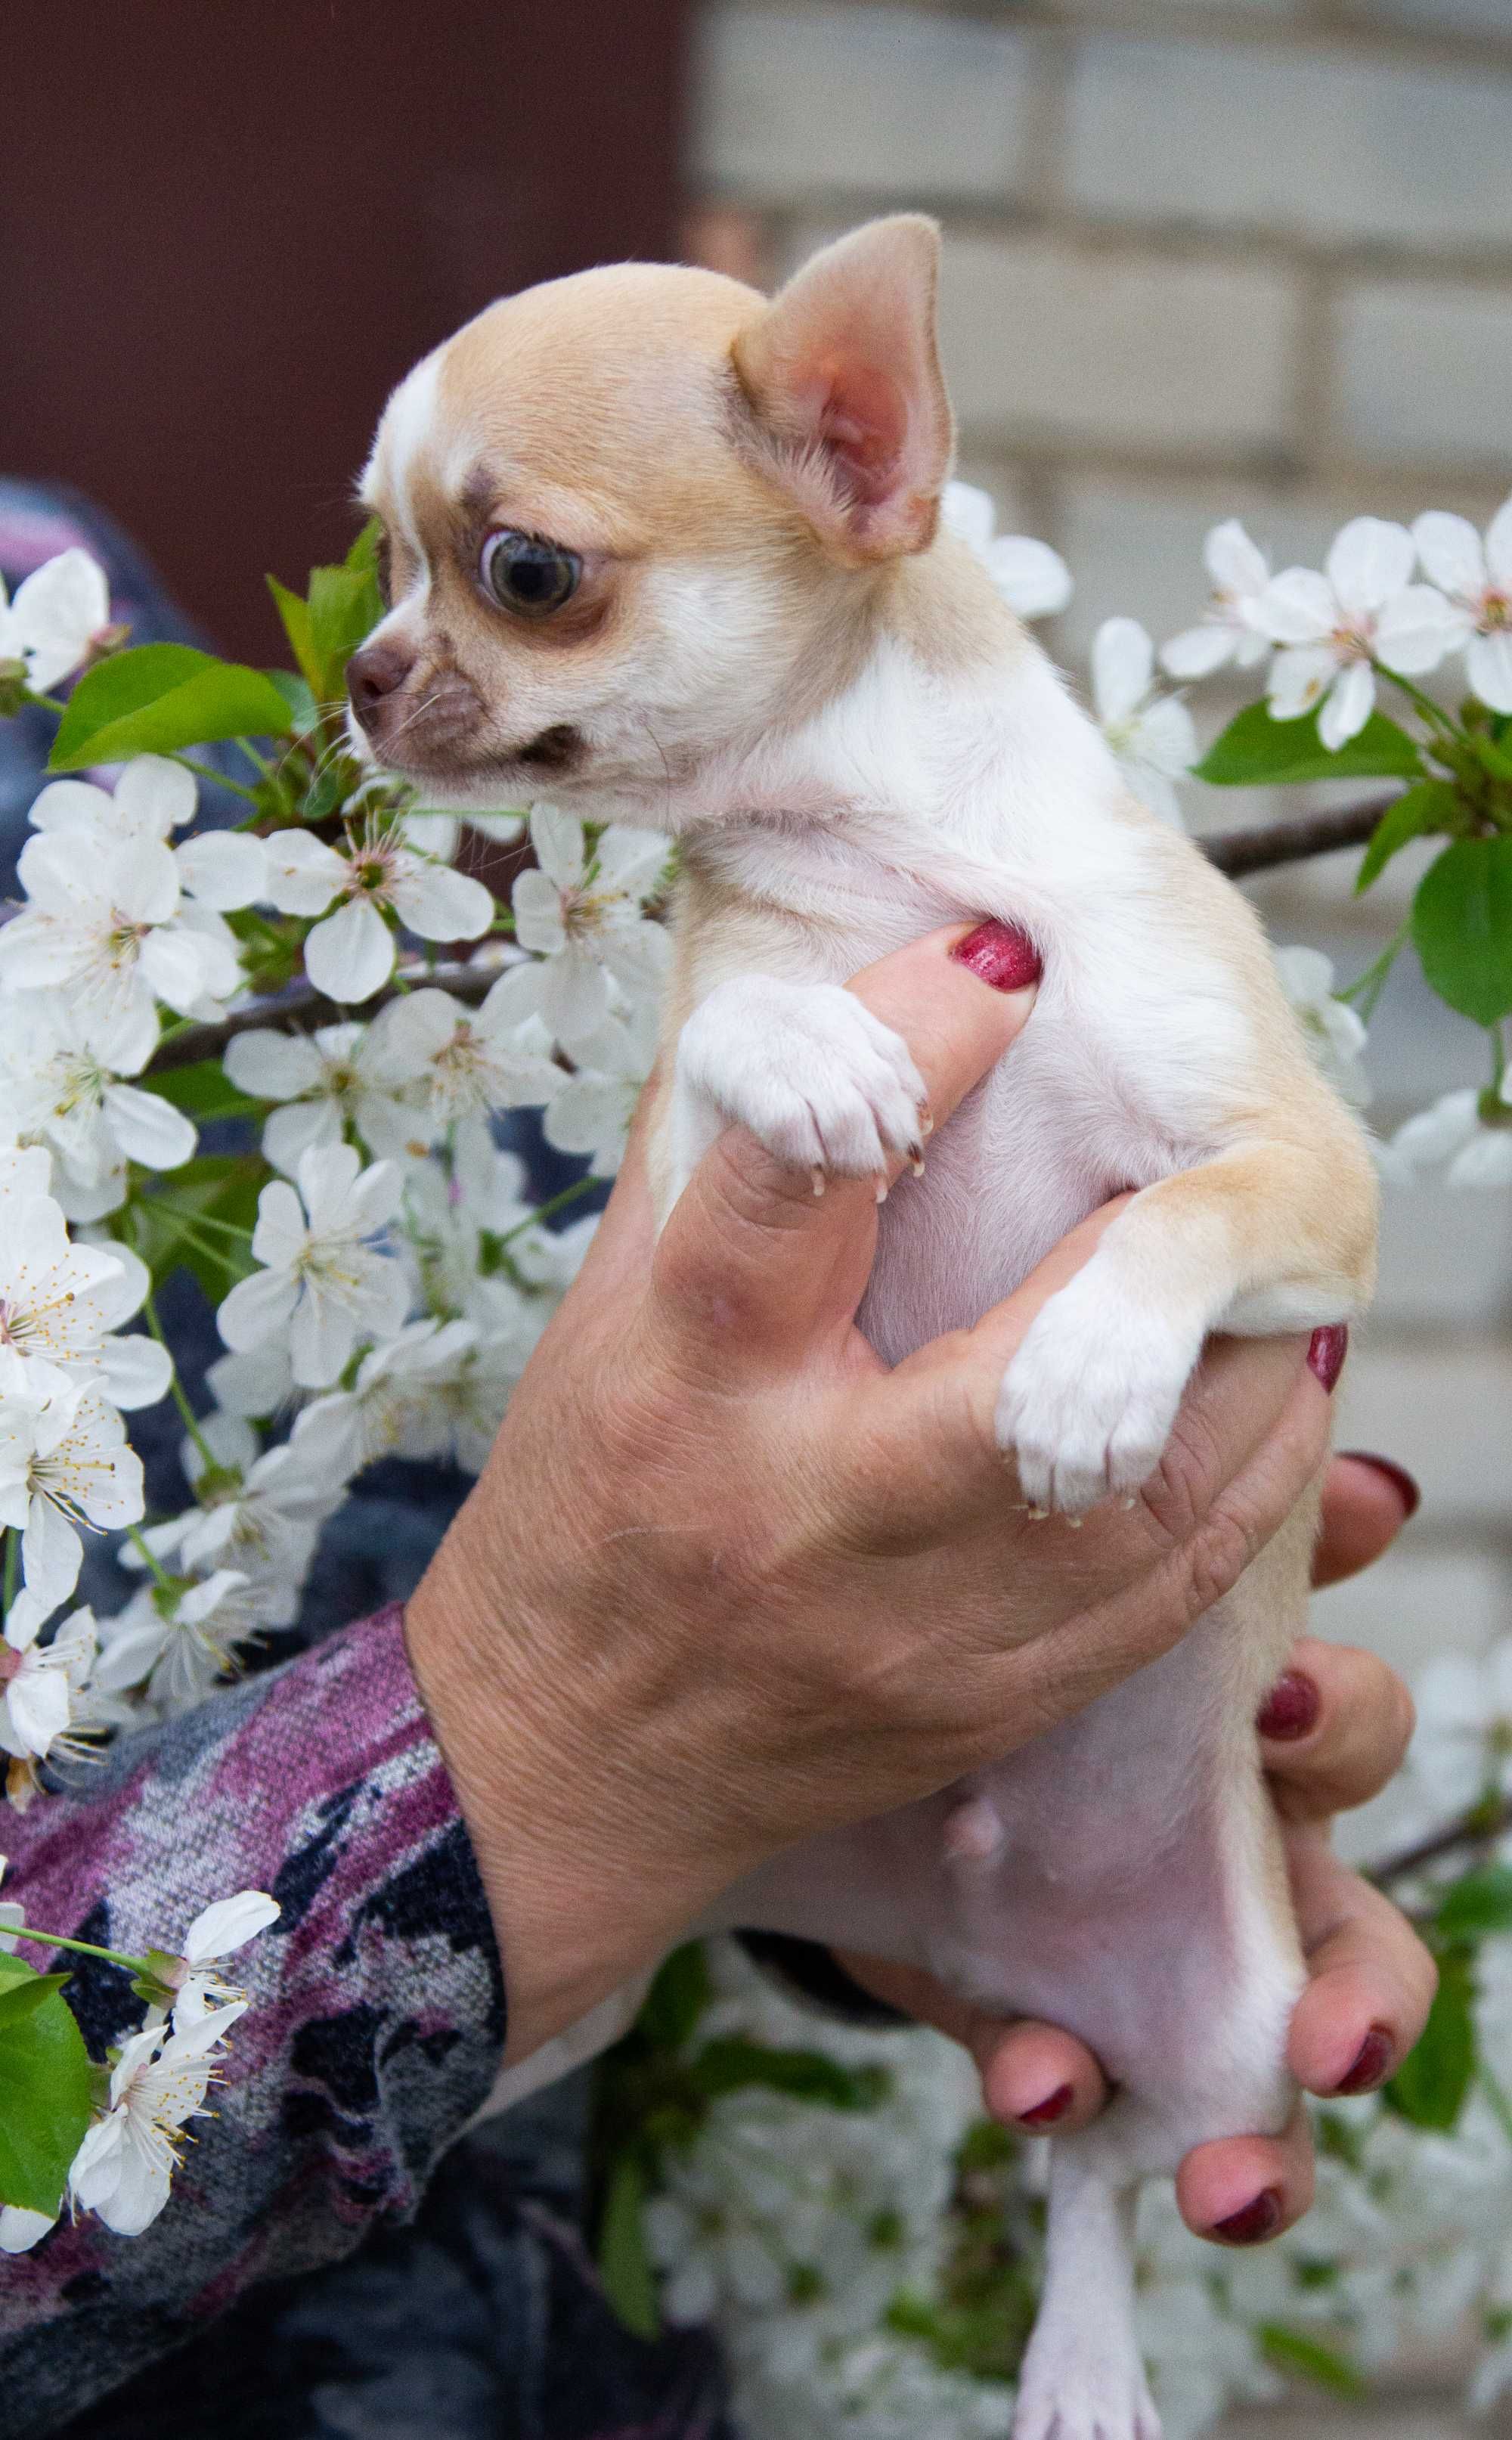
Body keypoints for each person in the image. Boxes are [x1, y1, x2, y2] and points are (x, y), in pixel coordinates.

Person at [0, 488, 1430, 2438]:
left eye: (520, 573)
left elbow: (576, 1366)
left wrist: (897, 1787)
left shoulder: (56, 642)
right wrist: (543, 1763)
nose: (406, 655)